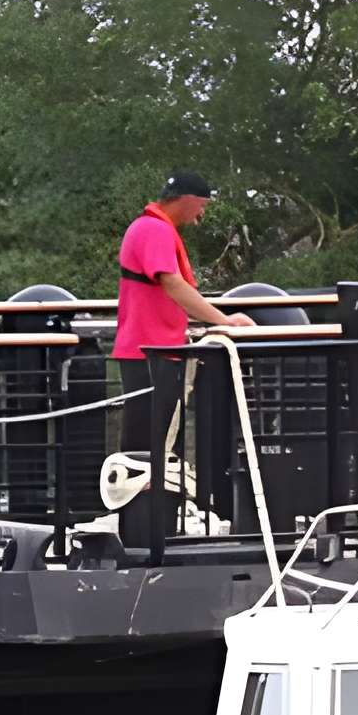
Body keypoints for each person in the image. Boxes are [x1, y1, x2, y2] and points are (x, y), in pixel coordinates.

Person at [107, 170, 257, 555]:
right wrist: (224, 320)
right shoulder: (153, 229)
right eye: (202, 204)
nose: (202, 213)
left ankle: (149, 532)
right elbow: (172, 284)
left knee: (153, 442)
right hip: (150, 353)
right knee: (150, 446)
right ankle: (145, 537)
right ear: (186, 199)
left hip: (152, 350)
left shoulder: (152, 229)